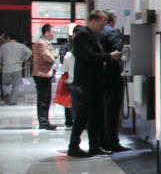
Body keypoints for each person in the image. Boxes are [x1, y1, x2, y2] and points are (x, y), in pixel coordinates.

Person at [68, 11, 120, 158]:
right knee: (83, 115)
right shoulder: (83, 35)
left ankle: (94, 146)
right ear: (93, 21)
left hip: (94, 81)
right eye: (102, 24)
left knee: (94, 115)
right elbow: (89, 56)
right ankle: (74, 146)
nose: (103, 27)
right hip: (88, 81)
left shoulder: (91, 34)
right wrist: (109, 56)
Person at [100, 11, 128, 152]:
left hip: (99, 77)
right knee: (113, 111)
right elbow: (118, 51)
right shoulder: (112, 32)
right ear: (113, 19)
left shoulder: (96, 32)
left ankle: (103, 142)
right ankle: (112, 143)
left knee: (102, 111)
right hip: (113, 76)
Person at [32, 24, 58, 129]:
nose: (53, 34)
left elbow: (54, 54)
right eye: (52, 32)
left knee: (46, 99)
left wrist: (53, 56)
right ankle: (43, 122)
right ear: (46, 33)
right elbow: (49, 57)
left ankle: (45, 121)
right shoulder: (41, 43)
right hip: (41, 74)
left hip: (46, 74)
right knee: (43, 99)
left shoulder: (47, 43)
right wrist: (53, 57)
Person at [0, 32, 32, 106]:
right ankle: (13, 101)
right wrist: (23, 59)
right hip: (17, 68)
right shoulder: (21, 46)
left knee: (5, 84)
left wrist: (1, 64)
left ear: (8, 38)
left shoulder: (3, 46)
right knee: (16, 85)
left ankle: (6, 98)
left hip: (6, 68)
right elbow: (30, 52)